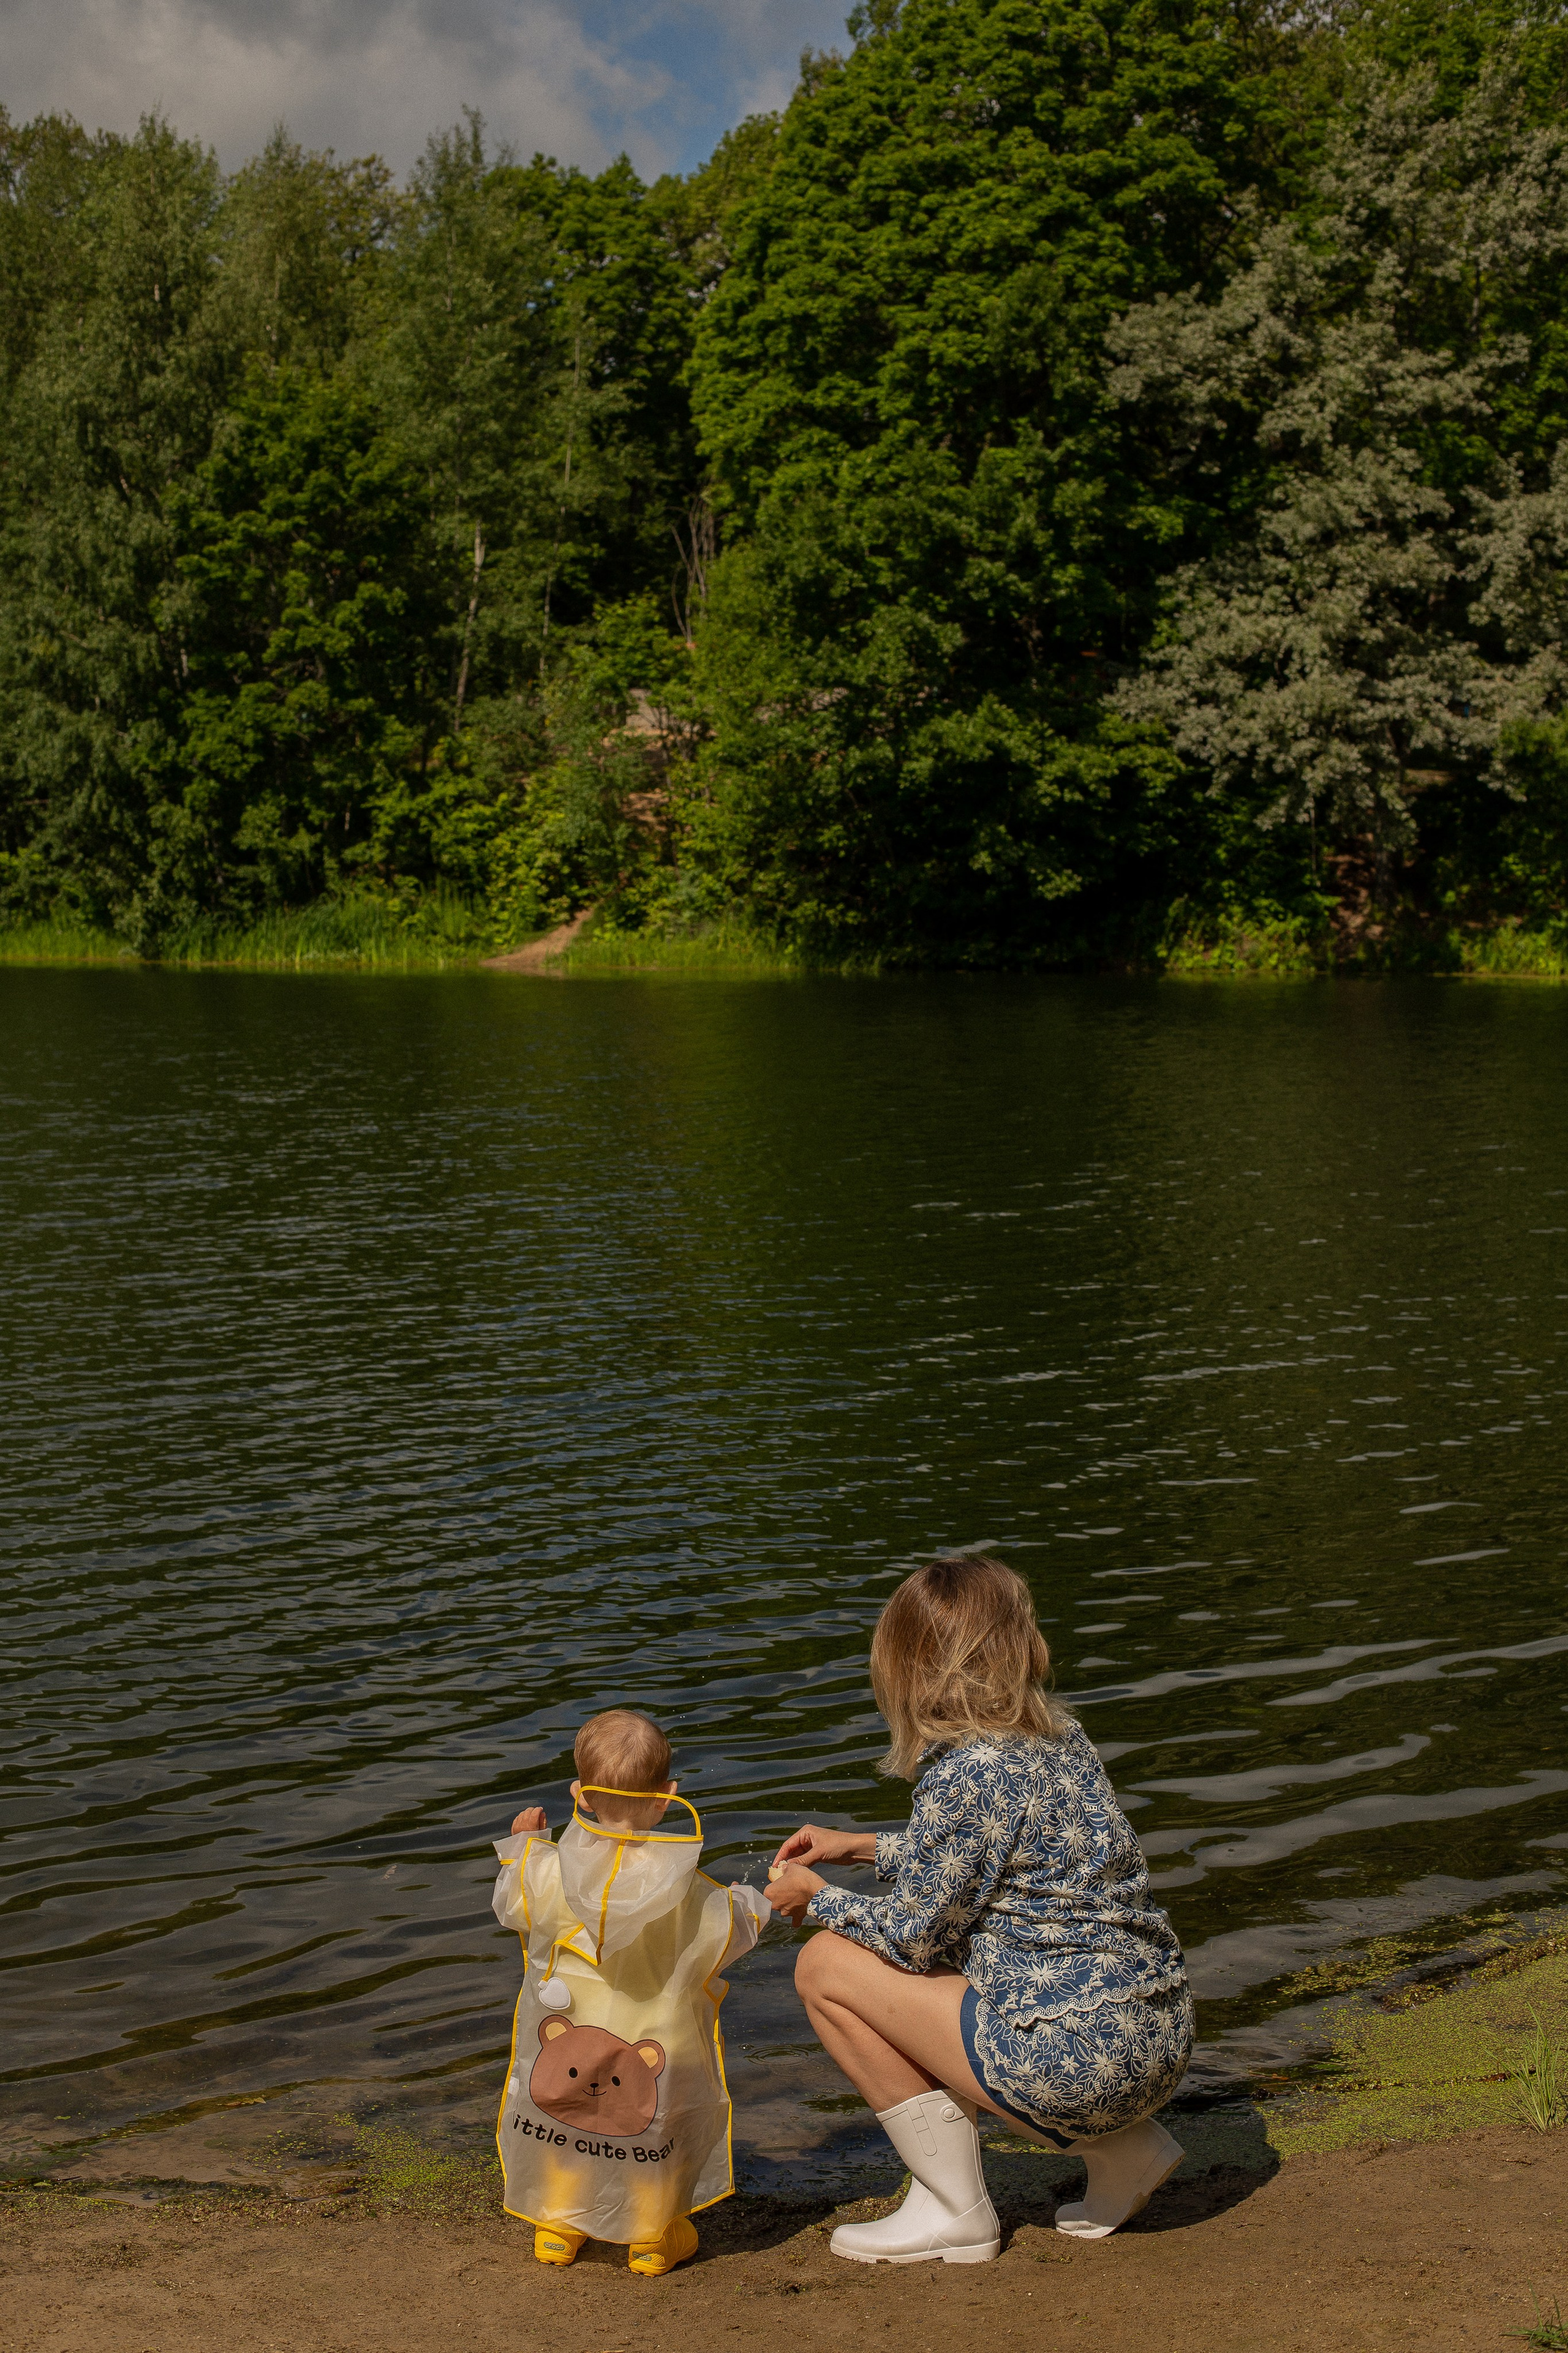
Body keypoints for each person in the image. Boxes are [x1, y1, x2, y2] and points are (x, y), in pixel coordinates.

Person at [764, 1552, 1193, 2264]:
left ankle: (952, 2209)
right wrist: (865, 1846)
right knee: (986, 1959)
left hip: (1073, 2056)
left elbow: (910, 1939)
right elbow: (997, 1861)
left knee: (826, 1967)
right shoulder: (1059, 1735)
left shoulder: (967, 1773)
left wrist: (818, 1899)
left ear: (906, 1670)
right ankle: (1125, 2151)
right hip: (1155, 2032)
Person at [493, 1708, 769, 2277]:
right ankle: (652, 2239)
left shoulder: (548, 1871)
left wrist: (524, 1845)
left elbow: (512, 1904)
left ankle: (558, 2227)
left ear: (582, 1795)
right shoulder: (689, 1888)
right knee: (653, 2136)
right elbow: (728, 1935)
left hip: (574, 2039)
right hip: (656, 2042)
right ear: (669, 1797)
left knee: (566, 2124)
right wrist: (756, 1902)